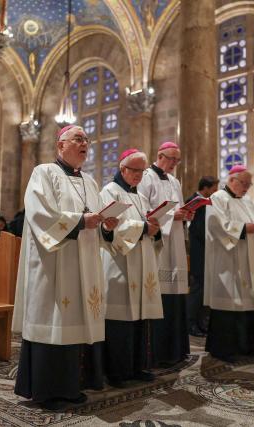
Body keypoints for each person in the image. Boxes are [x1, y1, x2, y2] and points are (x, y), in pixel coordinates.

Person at [13, 125, 118, 410]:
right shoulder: (44, 173)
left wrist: (106, 226)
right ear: (61, 145)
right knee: (55, 321)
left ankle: (75, 384)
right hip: (54, 262)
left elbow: (96, 224)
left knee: (78, 323)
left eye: (87, 139)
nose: (85, 143)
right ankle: (48, 390)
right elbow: (40, 215)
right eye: (78, 139)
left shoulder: (91, 181)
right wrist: (82, 221)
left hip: (85, 261)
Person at [100, 149, 163, 388]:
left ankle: (138, 366)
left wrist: (155, 228)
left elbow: (147, 227)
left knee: (139, 319)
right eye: (134, 170)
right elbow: (110, 229)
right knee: (120, 320)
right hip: (119, 265)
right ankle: (117, 371)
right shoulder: (109, 191)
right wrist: (144, 228)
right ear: (122, 168)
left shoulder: (142, 197)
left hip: (141, 262)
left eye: (142, 171)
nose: (138, 175)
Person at [204, 165, 254, 363]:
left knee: (249, 300)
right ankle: (226, 348)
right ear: (232, 180)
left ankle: (249, 345)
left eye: (249, 184)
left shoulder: (248, 201)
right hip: (228, 262)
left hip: (250, 260)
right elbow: (216, 226)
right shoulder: (217, 199)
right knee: (230, 302)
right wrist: (242, 229)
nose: (247, 188)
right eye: (244, 183)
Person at [138, 141, 192, 366]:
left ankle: (175, 349)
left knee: (175, 296)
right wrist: (171, 217)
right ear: (160, 156)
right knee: (159, 294)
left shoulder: (174, 181)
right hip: (157, 243)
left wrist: (186, 215)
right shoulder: (145, 177)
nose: (174, 164)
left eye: (177, 160)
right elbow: (142, 210)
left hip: (176, 243)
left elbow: (177, 209)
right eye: (172, 159)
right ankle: (156, 352)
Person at [185, 175, 219, 337]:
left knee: (205, 289)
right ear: (205, 188)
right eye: (213, 189)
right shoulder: (194, 201)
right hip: (199, 250)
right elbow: (195, 228)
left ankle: (201, 322)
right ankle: (190, 323)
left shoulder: (207, 201)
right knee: (197, 288)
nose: (215, 192)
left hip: (208, 249)